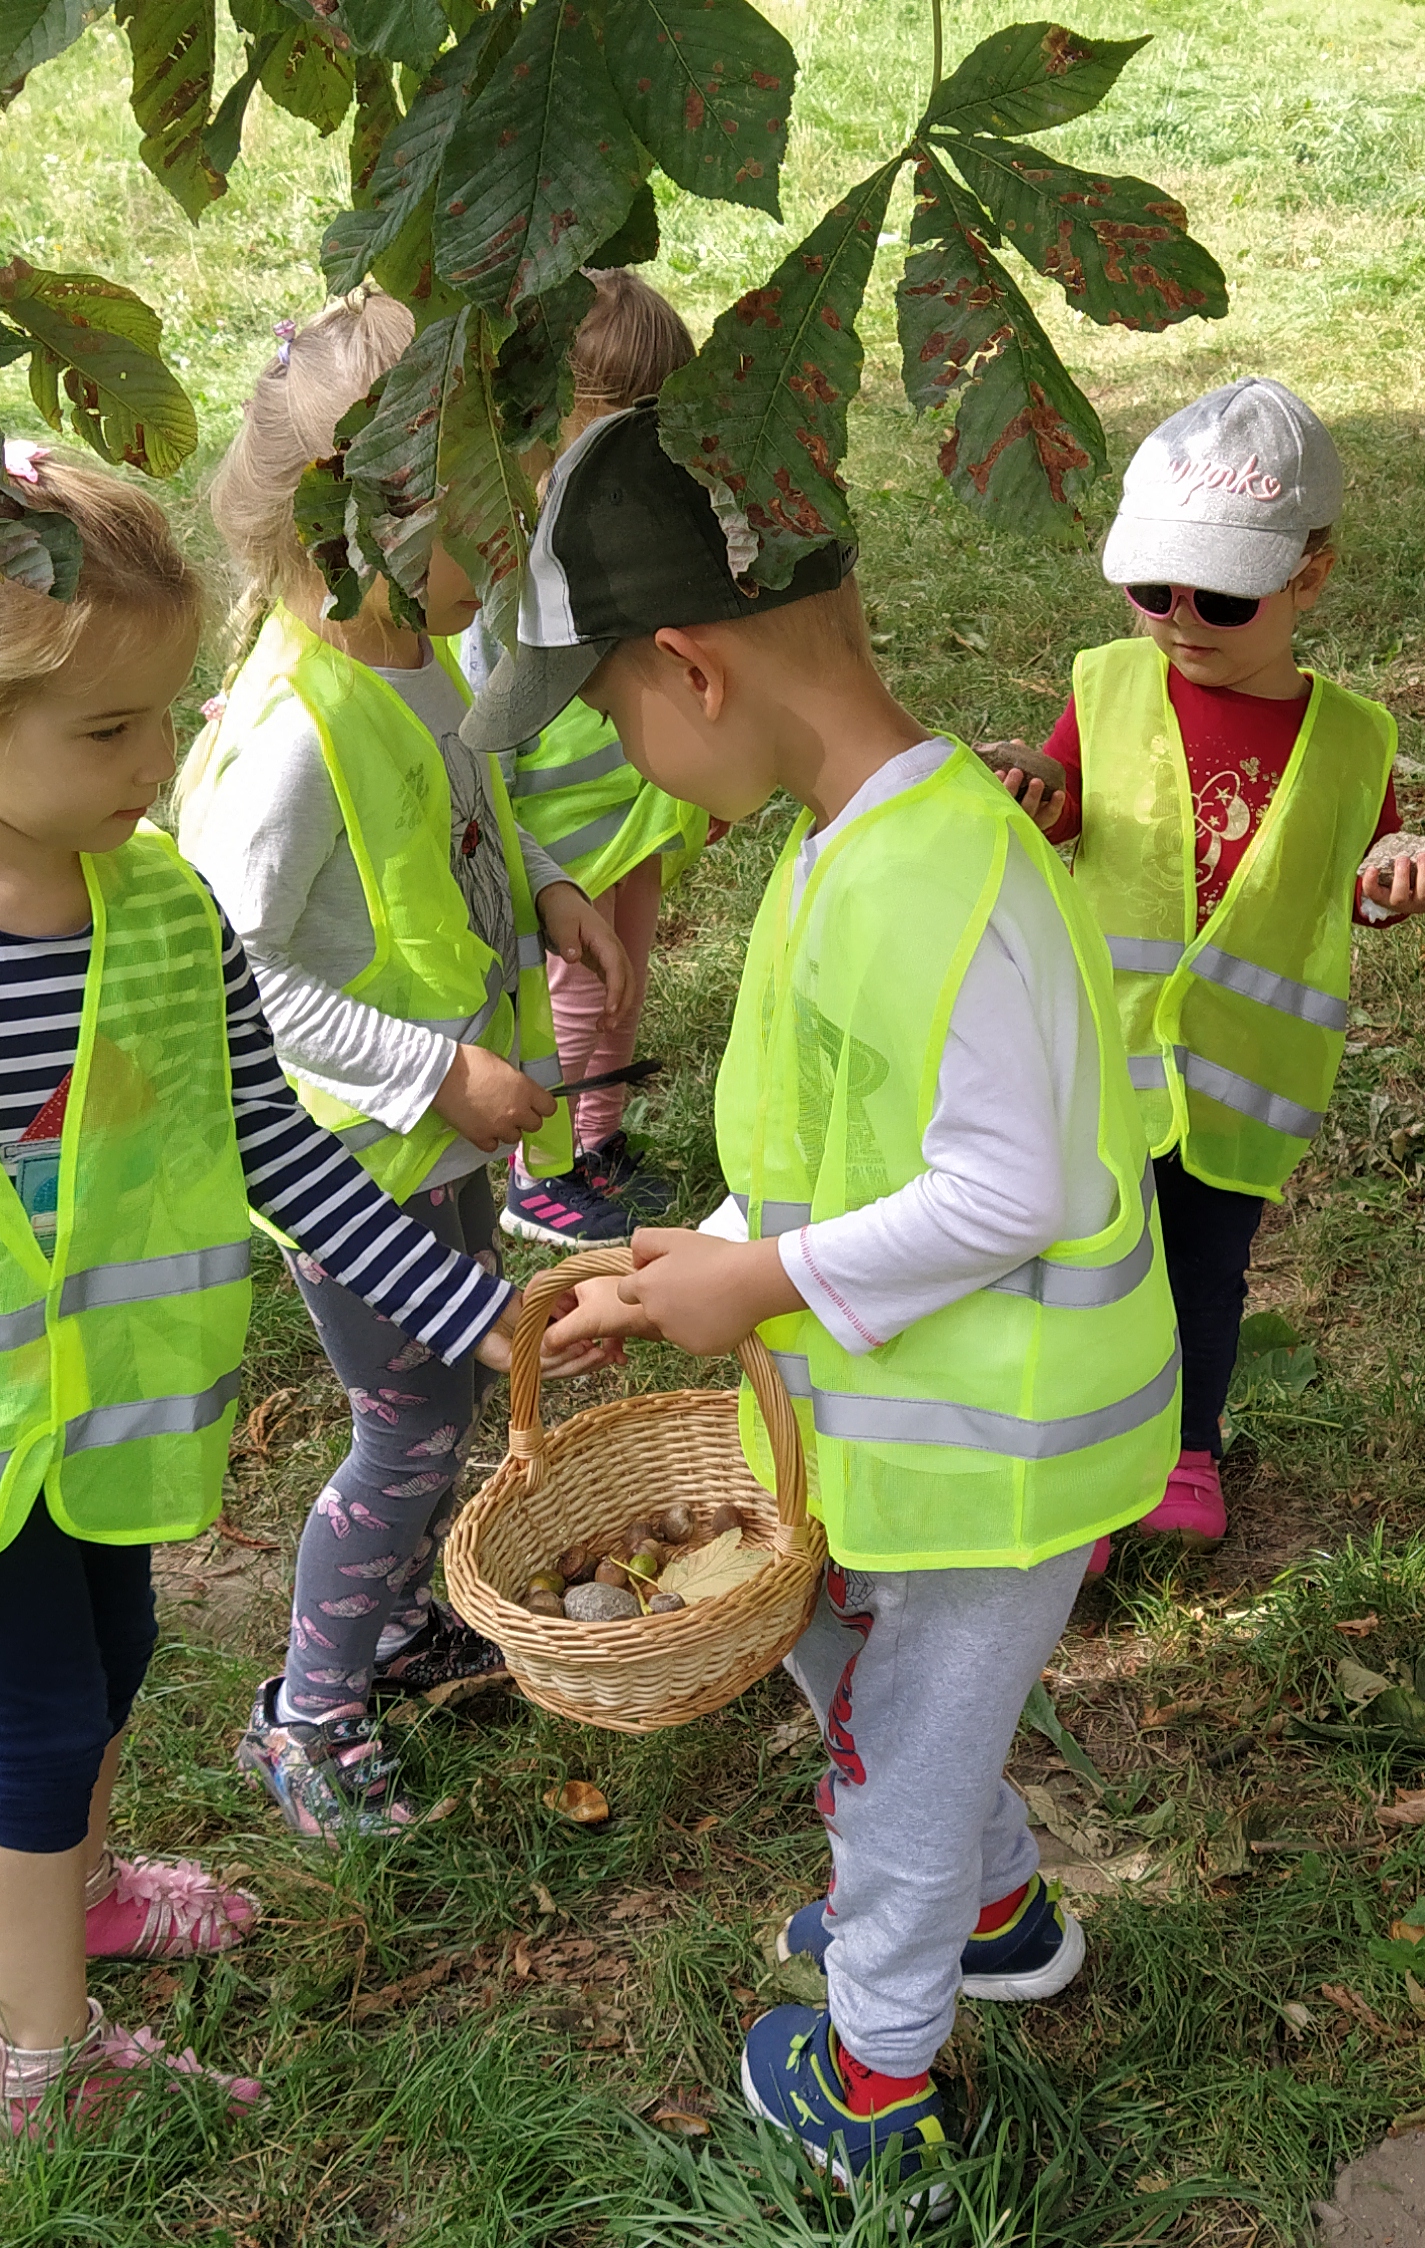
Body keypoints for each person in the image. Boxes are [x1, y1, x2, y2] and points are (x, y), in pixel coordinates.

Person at [0, 447, 545, 2135]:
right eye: (110, 731)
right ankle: (39, 2057)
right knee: (41, 1722)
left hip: (110, 1426)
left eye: (164, 715)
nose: (162, 764)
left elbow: (279, 1153)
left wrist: (463, 1305)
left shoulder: (165, 912)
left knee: (118, 1649)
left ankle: (86, 1889)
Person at [473, 405, 1173, 2187]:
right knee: (855, 1674)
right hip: (912, 1426)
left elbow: (1018, 1190)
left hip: (996, 1457)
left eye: (604, 710)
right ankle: (997, 1917)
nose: (611, 752)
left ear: (691, 669)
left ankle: (881, 2091)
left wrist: (764, 1278)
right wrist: (673, 1267)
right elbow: (838, 1147)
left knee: (906, 1754)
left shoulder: (934, 870)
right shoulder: (846, 836)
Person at [169, 288, 638, 1842]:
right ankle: (308, 1713)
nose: (502, 558)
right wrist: (431, 1071)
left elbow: (466, 812)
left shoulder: (413, 650)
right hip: (351, 1159)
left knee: (445, 1387)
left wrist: (552, 885)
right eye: (478, 523)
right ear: (358, 519)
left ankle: (384, 1633)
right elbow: (231, 975)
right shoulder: (291, 736)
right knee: (410, 1424)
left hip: (434, 1138)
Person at [1001, 378, 1425, 1560]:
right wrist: (1029, 788)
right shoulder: (1104, 687)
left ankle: (1183, 1448)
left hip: (1237, 1080)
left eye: (1216, 594)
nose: (1175, 616)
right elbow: (1059, 813)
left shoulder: (1354, 739)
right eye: (1147, 588)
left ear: (1308, 575)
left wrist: (1393, 879)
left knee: (1205, 1279)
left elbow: (1352, 877)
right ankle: (1081, 1456)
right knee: (1080, 1266)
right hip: (1099, 1062)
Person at [468, 270, 714, 1245]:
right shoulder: (500, 562)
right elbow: (478, 715)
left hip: (631, 812)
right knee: (571, 1004)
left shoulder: (634, 530)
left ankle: (597, 1141)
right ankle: (543, 1175)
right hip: (559, 837)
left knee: (624, 986)